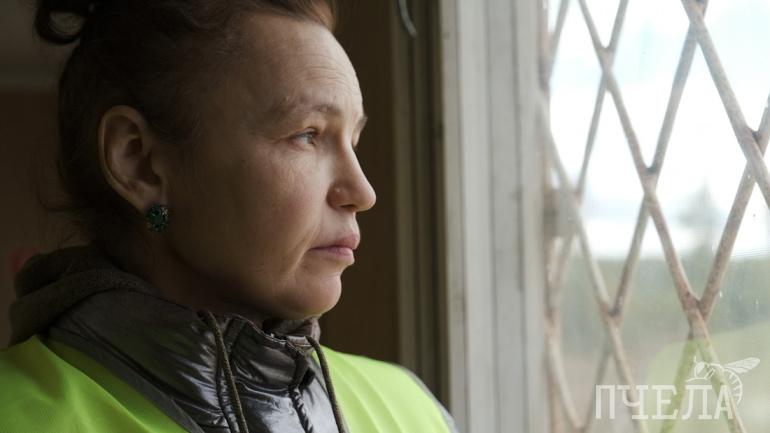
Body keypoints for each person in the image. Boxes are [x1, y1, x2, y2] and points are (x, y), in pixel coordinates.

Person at [0, 1, 459, 432]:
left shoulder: (411, 410)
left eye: (353, 141)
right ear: (139, 162)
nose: (362, 192)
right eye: (307, 135)